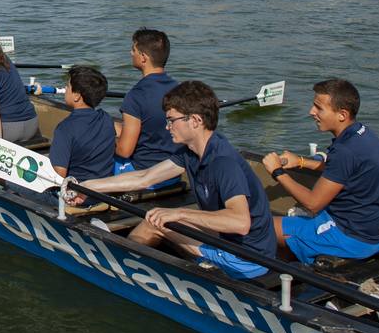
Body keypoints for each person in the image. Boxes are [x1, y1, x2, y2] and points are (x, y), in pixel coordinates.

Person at [79, 81, 277, 280]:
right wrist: (87, 186)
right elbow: (145, 177)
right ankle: (129, 258)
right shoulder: (191, 153)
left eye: (172, 120)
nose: (167, 127)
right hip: (230, 241)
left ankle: (120, 268)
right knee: (159, 217)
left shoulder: (223, 162)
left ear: (195, 120)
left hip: (246, 260)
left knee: (155, 222)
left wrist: (179, 213)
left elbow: (240, 222)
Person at [260, 78, 379, 264]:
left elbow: (313, 204)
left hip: (352, 239)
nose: (311, 112)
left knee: (260, 227)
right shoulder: (362, 133)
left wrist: (277, 172)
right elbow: (340, 170)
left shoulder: (345, 151)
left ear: (342, 115)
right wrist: (300, 161)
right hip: (375, 235)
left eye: (319, 108)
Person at [115, 28, 180, 173]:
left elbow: (124, 151)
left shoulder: (136, 96)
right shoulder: (179, 89)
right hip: (173, 169)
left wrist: (105, 140)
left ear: (143, 57)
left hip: (143, 172)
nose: (131, 53)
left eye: (134, 50)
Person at [48, 66, 115, 183]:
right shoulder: (106, 119)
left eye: (68, 86)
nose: (65, 89)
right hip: (104, 187)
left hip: (78, 191)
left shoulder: (65, 128)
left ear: (77, 96)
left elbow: (59, 175)